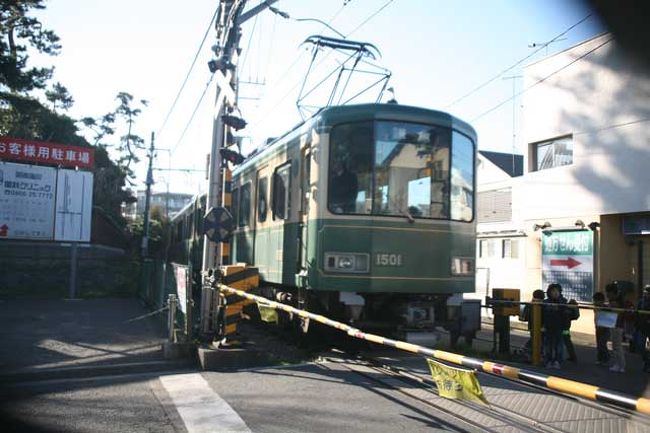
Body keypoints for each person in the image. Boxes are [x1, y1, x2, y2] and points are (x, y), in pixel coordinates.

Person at [542, 283, 567, 369]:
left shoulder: (563, 301)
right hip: (548, 326)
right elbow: (542, 315)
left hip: (559, 326)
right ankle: (548, 360)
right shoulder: (545, 302)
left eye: (557, 291)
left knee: (559, 344)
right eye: (553, 291)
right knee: (548, 344)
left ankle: (557, 361)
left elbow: (565, 315)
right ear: (549, 292)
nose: (555, 293)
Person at [605, 282, 626, 373]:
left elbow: (616, 313)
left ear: (612, 292)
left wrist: (610, 307)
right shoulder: (615, 300)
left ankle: (620, 365)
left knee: (617, 346)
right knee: (615, 345)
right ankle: (618, 364)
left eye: (608, 293)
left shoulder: (617, 301)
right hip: (614, 324)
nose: (607, 295)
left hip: (617, 325)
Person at [520, 289, 545, 362]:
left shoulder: (530, 304)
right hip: (539, 325)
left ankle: (528, 352)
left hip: (532, 325)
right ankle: (532, 354)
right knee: (538, 340)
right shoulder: (541, 304)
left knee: (534, 339)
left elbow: (526, 317)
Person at [635, 284, 650, 372]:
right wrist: (636, 326)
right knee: (640, 345)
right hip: (642, 327)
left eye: (648, 293)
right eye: (645, 293)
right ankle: (646, 360)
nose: (646, 295)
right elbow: (637, 314)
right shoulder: (641, 302)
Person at [593, 292, 610, 366]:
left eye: (596, 301)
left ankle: (606, 357)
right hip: (598, 327)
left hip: (605, 328)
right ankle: (600, 359)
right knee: (599, 344)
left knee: (602, 343)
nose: (595, 302)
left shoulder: (605, 308)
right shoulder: (595, 307)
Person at [562, 297, 580, 362]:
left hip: (559, 327)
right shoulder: (569, 309)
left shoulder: (562, 306)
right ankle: (573, 356)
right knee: (567, 341)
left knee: (557, 341)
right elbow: (575, 317)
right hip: (566, 328)